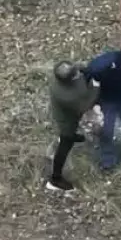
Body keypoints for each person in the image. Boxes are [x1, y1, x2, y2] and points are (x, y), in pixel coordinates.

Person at [47, 60, 100, 192]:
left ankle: (72, 137)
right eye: (75, 74)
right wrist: (95, 86)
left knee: (70, 135)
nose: (78, 73)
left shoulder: (60, 77)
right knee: (65, 144)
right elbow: (85, 106)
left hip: (65, 112)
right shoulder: (68, 96)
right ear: (69, 81)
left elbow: (76, 68)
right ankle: (55, 179)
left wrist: (83, 68)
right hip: (67, 121)